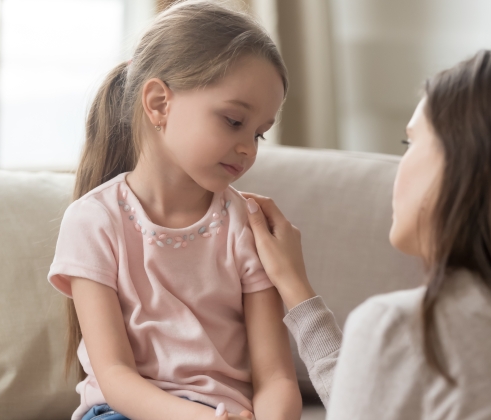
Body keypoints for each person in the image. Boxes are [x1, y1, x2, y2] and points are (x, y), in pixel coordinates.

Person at [243, 49, 491, 420]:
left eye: (410, 143)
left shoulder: (398, 327)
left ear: (467, 166)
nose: (398, 168)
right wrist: (296, 288)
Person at [47, 2, 301, 420]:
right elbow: (115, 374)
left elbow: (276, 378)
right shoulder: (93, 221)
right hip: (121, 411)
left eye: (260, 134)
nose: (248, 148)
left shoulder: (245, 226)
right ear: (159, 103)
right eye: (234, 121)